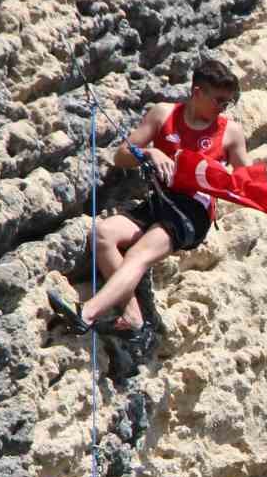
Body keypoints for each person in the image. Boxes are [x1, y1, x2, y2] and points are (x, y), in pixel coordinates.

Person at [48, 57, 251, 337]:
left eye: (227, 103)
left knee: (138, 254)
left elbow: (247, 179)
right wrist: (150, 152)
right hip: (158, 201)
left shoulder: (230, 133)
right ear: (197, 93)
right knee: (103, 234)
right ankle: (133, 316)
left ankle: (87, 313)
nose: (222, 108)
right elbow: (121, 155)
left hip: (192, 212)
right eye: (218, 100)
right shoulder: (163, 114)